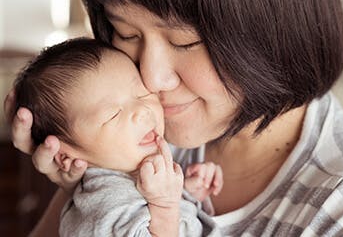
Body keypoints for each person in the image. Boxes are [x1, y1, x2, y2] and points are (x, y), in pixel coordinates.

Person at [4, 0, 343, 235]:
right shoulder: (140, 133)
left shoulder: (338, 206)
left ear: (276, 19)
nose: (151, 80)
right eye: (126, 34)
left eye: (186, 40)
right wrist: (84, 190)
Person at [13, 37, 222, 236]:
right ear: (64, 157)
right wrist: (165, 205)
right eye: (112, 115)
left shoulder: (129, 175)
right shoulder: (102, 209)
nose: (143, 111)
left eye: (143, 94)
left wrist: (189, 195)